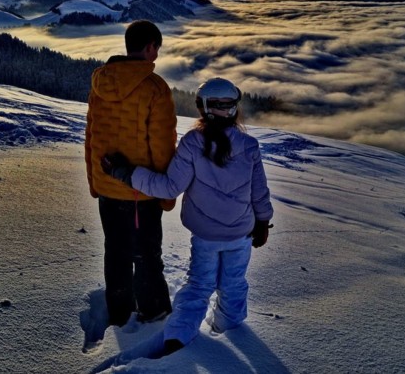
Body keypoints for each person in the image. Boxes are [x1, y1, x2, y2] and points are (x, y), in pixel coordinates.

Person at [101, 77, 273, 355]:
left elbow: (169, 186)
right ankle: (227, 331)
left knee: (198, 286)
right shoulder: (250, 146)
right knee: (233, 284)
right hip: (241, 234)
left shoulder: (193, 143)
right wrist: (262, 223)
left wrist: (125, 173)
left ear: (202, 108)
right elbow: (259, 192)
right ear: (234, 109)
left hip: (205, 236)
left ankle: (178, 337)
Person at [85, 20, 177, 327]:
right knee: (147, 255)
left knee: (116, 253)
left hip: (107, 186)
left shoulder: (100, 81)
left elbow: (91, 136)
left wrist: (94, 182)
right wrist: (166, 194)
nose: (156, 57)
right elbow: (162, 148)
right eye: (156, 50)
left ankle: (119, 311)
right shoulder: (155, 89)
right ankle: (154, 312)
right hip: (142, 191)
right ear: (150, 46)